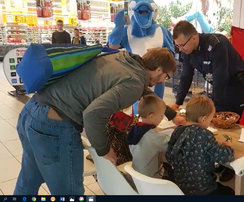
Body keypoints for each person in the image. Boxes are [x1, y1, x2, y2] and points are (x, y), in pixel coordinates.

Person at [14, 48, 185, 195]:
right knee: (70, 193)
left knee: (28, 181)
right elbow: (93, 115)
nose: (164, 81)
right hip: (54, 127)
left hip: (31, 111)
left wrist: (171, 114)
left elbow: (142, 90)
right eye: (166, 76)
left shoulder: (122, 59)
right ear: (159, 70)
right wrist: (104, 150)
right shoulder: (133, 82)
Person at [170, 21, 244, 118]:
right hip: (217, 84)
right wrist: (178, 102)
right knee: (212, 119)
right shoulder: (187, 49)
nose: (180, 49)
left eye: (182, 45)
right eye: (177, 45)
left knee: (225, 119)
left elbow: (220, 78)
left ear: (194, 38)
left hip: (233, 85)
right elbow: (186, 76)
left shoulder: (216, 44)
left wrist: (214, 107)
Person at [166, 95, 235, 195]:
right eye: (210, 120)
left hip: (180, 188)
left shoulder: (178, 131)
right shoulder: (205, 135)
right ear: (203, 119)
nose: (209, 123)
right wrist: (228, 147)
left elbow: (169, 156)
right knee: (230, 192)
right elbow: (225, 156)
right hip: (203, 190)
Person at [108, 0, 174, 102]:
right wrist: (118, 27)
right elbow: (112, 47)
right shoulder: (127, 31)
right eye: (140, 12)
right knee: (137, 110)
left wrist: (158, 56)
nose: (143, 14)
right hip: (135, 80)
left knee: (155, 108)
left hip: (157, 80)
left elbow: (171, 58)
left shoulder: (162, 31)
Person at [127, 95, 170, 178]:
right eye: (161, 115)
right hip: (151, 178)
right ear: (151, 116)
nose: (162, 118)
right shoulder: (153, 136)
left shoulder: (135, 129)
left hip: (136, 174)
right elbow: (169, 145)